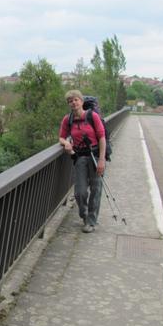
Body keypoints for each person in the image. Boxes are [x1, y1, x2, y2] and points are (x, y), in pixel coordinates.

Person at [59, 90, 106, 233]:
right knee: (80, 193)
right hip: (80, 158)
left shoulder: (93, 116)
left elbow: (102, 138)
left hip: (96, 156)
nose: (73, 103)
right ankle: (84, 214)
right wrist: (65, 143)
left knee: (96, 190)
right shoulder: (68, 119)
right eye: (70, 101)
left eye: (75, 100)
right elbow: (61, 137)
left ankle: (91, 221)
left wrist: (102, 160)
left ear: (81, 101)